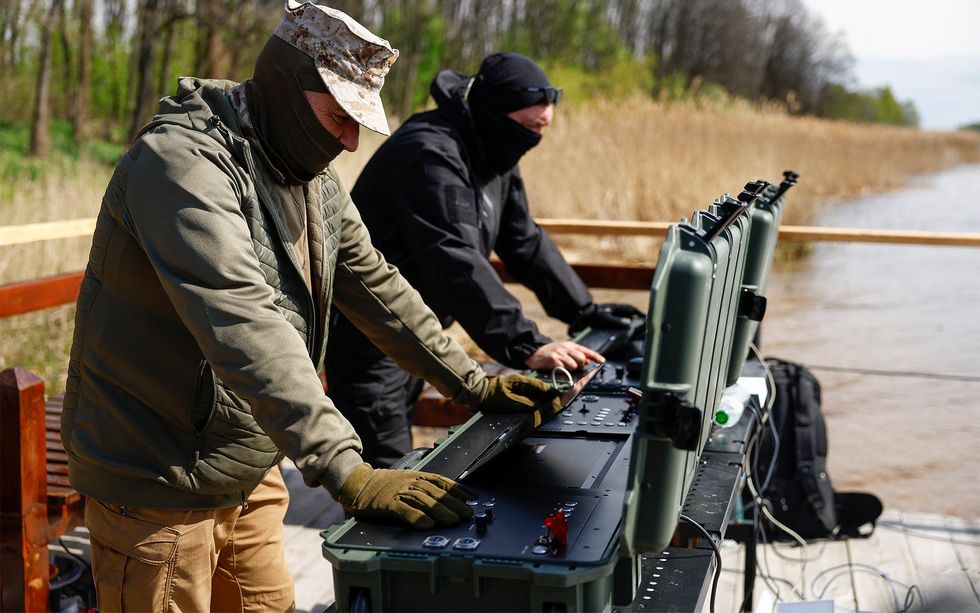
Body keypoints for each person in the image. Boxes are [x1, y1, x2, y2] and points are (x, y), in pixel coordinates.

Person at [61, 3, 560, 611]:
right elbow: (242, 319)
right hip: (155, 479)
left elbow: (376, 284)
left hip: (248, 463)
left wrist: (472, 383)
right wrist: (347, 469)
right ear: (286, 90)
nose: (350, 143)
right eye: (337, 118)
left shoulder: (308, 172)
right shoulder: (181, 166)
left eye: (359, 125)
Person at [325, 52, 642, 467]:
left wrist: (583, 310)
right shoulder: (429, 154)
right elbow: (453, 258)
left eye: (541, 130)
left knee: (402, 460)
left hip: (417, 336)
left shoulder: (492, 151)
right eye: (528, 128)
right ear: (496, 113)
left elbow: (524, 241)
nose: (533, 139)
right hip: (370, 337)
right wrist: (525, 344)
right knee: (389, 471)